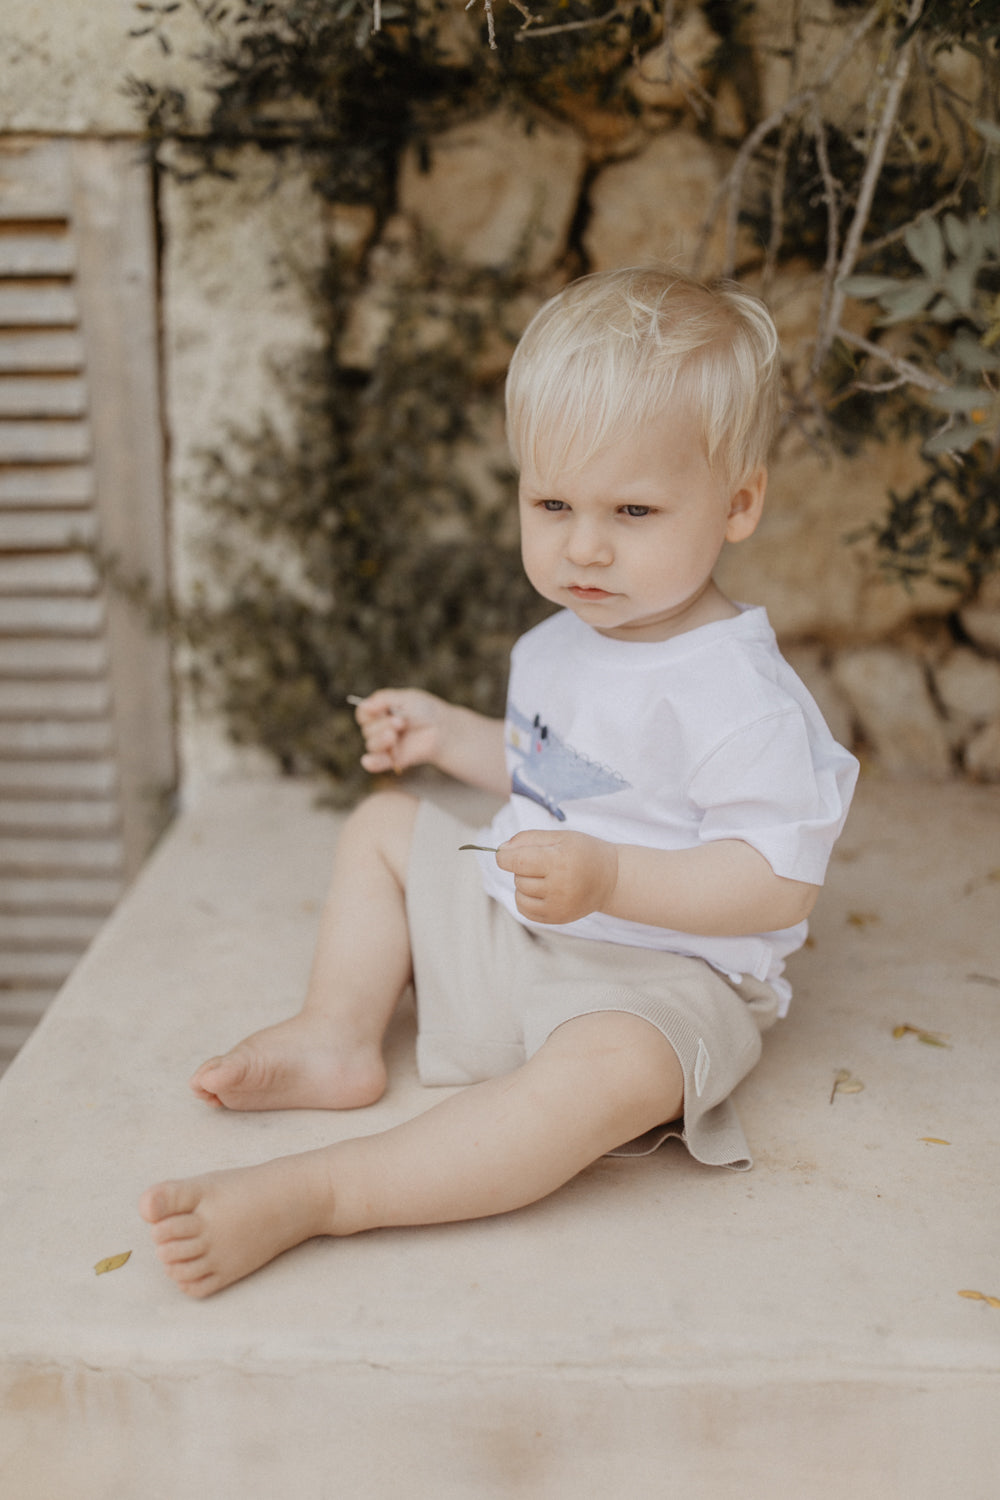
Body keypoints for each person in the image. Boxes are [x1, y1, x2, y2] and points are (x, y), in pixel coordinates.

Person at [140, 266, 858, 1297]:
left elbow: (774, 882)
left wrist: (613, 880)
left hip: (664, 977)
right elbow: (556, 772)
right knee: (384, 829)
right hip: (524, 925)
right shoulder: (560, 640)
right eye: (552, 502)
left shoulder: (739, 695)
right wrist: (449, 734)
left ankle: (328, 1191)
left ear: (737, 503)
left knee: (607, 1080)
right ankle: (338, 1035)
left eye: (633, 509)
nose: (583, 546)